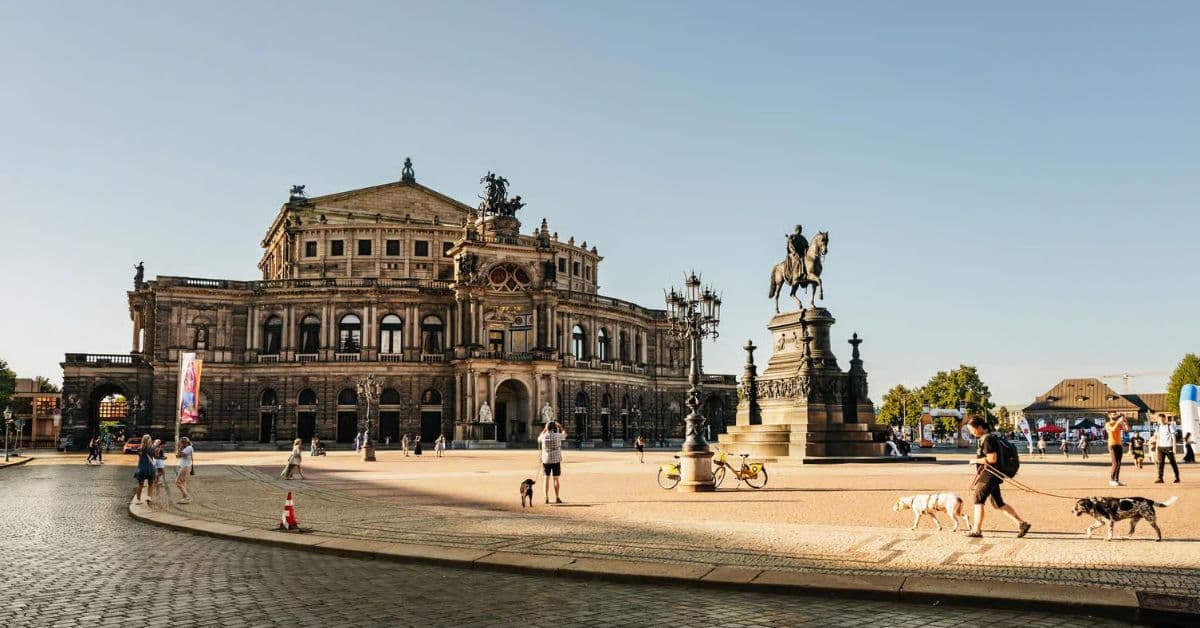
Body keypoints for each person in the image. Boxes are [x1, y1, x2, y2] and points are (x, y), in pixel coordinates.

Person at [965, 417, 1031, 539]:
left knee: (978, 499)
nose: (971, 432)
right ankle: (1022, 524)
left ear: (979, 427)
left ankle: (976, 529)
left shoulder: (988, 439)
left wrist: (974, 460)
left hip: (990, 474)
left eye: (971, 429)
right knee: (997, 503)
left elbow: (992, 459)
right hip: (994, 474)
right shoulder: (991, 437)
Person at [538, 421, 567, 504]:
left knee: (546, 478)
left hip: (546, 459)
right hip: (556, 459)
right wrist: (560, 427)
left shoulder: (543, 436)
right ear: (554, 428)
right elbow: (565, 434)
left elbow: (538, 438)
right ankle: (557, 497)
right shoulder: (557, 435)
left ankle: (546, 497)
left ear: (547, 428)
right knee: (556, 479)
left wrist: (544, 429)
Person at [1154, 415, 1180, 483]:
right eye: (1159, 419)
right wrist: (1156, 449)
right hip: (1160, 447)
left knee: (1172, 463)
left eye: (1162, 419)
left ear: (1165, 419)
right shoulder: (1158, 427)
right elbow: (1158, 438)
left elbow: (1173, 437)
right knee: (1160, 463)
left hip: (1168, 447)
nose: (1161, 421)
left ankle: (1177, 477)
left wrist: (1174, 448)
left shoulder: (1169, 426)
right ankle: (1160, 478)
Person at [1105, 413, 1129, 486]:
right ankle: (1111, 480)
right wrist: (1118, 422)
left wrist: (1125, 421)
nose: (1115, 415)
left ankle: (1116, 480)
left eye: (1115, 414)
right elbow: (1112, 430)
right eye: (1113, 414)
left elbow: (1127, 430)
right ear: (1109, 416)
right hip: (1112, 444)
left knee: (1118, 463)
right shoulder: (1107, 424)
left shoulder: (1119, 424)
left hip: (1119, 444)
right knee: (1115, 463)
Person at [132, 434, 154, 504]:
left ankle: (138, 499)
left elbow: (140, 457)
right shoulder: (151, 449)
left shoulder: (139, 449)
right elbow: (154, 456)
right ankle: (149, 497)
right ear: (149, 440)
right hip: (149, 468)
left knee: (140, 484)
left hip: (141, 468)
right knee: (150, 483)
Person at [175, 437, 194, 504]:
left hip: (185, 467)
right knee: (183, 482)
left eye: (181, 442)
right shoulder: (185, 448)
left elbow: (182, 455)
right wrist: (180, 448)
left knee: (178, 482)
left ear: (185, 442)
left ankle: (187, 497)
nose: (181, 443)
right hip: (184, 466)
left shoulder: (189, 448)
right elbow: (178, 456)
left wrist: (180, 447)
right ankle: (184, 497)